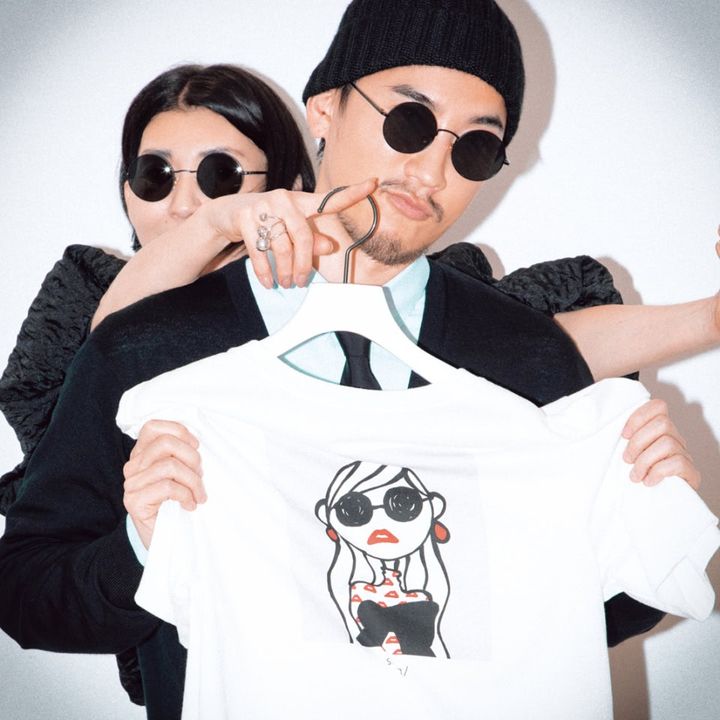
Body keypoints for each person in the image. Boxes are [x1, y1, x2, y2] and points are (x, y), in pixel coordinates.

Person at [0, 1, 716, 716]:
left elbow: (568, 625)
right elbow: (26, 596)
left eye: (474, 147)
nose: (431, 170)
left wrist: (644, 520)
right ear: (324, 110)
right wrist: (142, 544)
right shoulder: (153, 351)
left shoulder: (527, 361)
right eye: (409, 121)